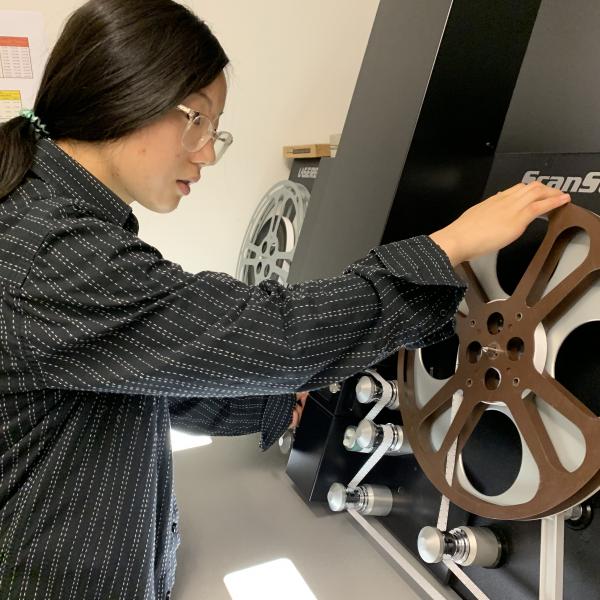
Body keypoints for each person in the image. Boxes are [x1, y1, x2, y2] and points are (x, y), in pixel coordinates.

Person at [0, 0, 571, 598]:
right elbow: (274, 336)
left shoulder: (48, 211)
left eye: (214, 128)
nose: (208, 152)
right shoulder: (49, 249)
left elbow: (132, 378)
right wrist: (451, 245)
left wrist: (272, 405)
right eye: (197, 119)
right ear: (125, 94)